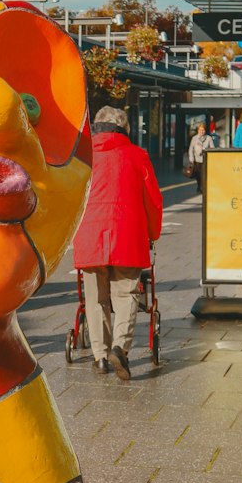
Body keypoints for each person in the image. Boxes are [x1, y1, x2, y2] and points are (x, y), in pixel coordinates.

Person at [72, 105, 163, 381]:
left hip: (89, 236)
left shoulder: (83, 158)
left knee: (97, 299)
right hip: (127, 236)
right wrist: (153, 233)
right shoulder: (137, 156)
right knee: (125, 294)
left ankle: (100, 357)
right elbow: (153, 201)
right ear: (125, 129)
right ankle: (119, 347)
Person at [188, 121, 214, 194]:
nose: (201, 131)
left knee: (203, 175)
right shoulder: (194, 138)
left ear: (205, 130)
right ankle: (199, 186)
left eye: (203, 130)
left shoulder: (208, 138)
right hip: (196, 160)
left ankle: (202, 188)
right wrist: (191, 159)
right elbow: (191, 149)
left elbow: (212, 148)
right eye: (200, 130)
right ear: (198, 130)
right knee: (198, 175)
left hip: (205, 160)